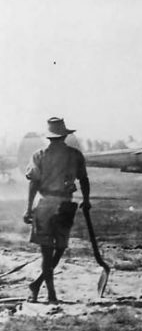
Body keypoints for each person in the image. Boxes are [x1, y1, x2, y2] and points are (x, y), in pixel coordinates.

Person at [23, 117, 91, 304]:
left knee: (57, 248)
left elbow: (83, 179)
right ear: (64, 135)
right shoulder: (41, 155)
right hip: (52, 204)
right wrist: (28, 209)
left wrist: (86, 200)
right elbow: (34, 183)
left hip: (57, 204)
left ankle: (37, 284)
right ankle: (50, 294)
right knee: (53, 250)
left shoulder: (73, 155)